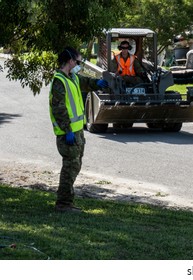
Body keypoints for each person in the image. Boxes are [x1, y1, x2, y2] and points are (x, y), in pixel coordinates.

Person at [49, 47, 108, 213]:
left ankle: (66, 202)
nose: (79, 65)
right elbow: (58, 109)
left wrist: (97, 83)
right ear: (70, 61)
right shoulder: (59, 81)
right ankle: (63, 204)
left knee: (74, 167)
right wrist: (67, 130)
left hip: (76, 132)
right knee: (69, 168)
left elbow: (85, 82)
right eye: (78, 61)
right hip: (67, 133)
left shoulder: (72, 77)